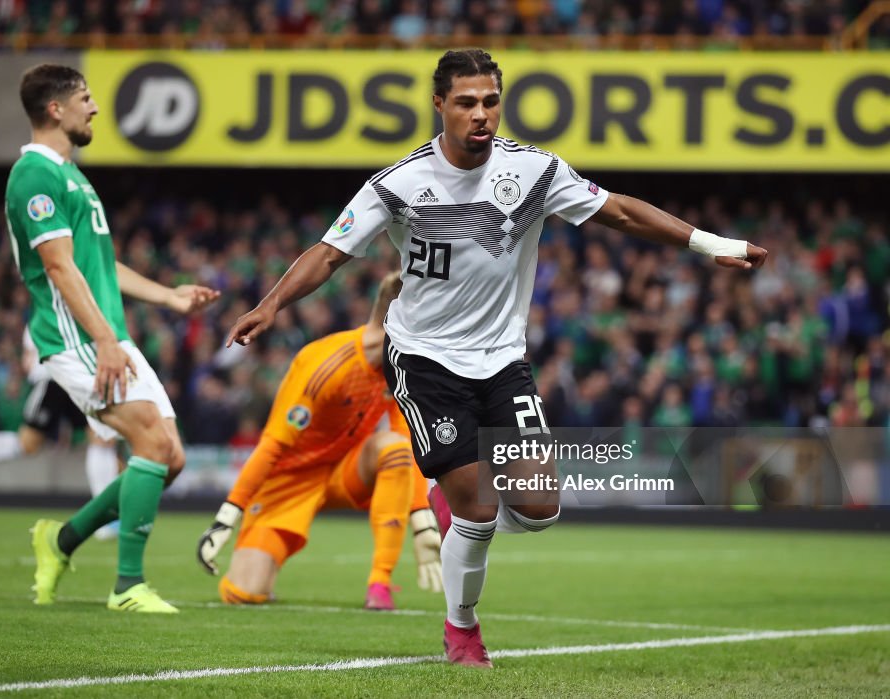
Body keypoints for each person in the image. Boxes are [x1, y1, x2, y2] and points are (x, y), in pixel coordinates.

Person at [227, 49, 768, 666]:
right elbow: (328, 253)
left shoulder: (533, 172)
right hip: (425, 360)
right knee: (481, 510)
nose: (480, 114)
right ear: (439, 106)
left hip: (502, 361)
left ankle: (450, 508)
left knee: (539, 510)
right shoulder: (399, 183)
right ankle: (463, 631)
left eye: (489, 101)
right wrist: (271, 305)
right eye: (465, 102)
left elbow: (616, 210)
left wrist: (711, 244)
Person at [7, 64, 218, 613]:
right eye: (85, 98)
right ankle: (127, 585)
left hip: (107, 334)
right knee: (149, 441)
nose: (94, 107)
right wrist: (102, 340)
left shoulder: (72, 176)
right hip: (74, 337)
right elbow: (58, 269)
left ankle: (61, 541)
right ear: (56, 109)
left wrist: (167, 296)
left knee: (169, 458)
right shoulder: (34, 177)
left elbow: (97, 263)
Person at [196, 273, 443, 609]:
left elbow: (407, 436)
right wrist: (226, 517)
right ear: (400, 323)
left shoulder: (395, 368)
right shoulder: (327, 365)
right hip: (289, 481)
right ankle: (264, 555)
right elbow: (272, 445)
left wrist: (422, 521)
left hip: (342, 473)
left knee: (395, 449)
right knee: (244, 594)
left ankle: (380, 583)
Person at [0, 327, 122, 540]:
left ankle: (106, 517)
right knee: (28, 443)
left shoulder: (75, 301)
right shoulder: (51, 303)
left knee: (102, 437)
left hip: (82, 375)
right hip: (53, 377)